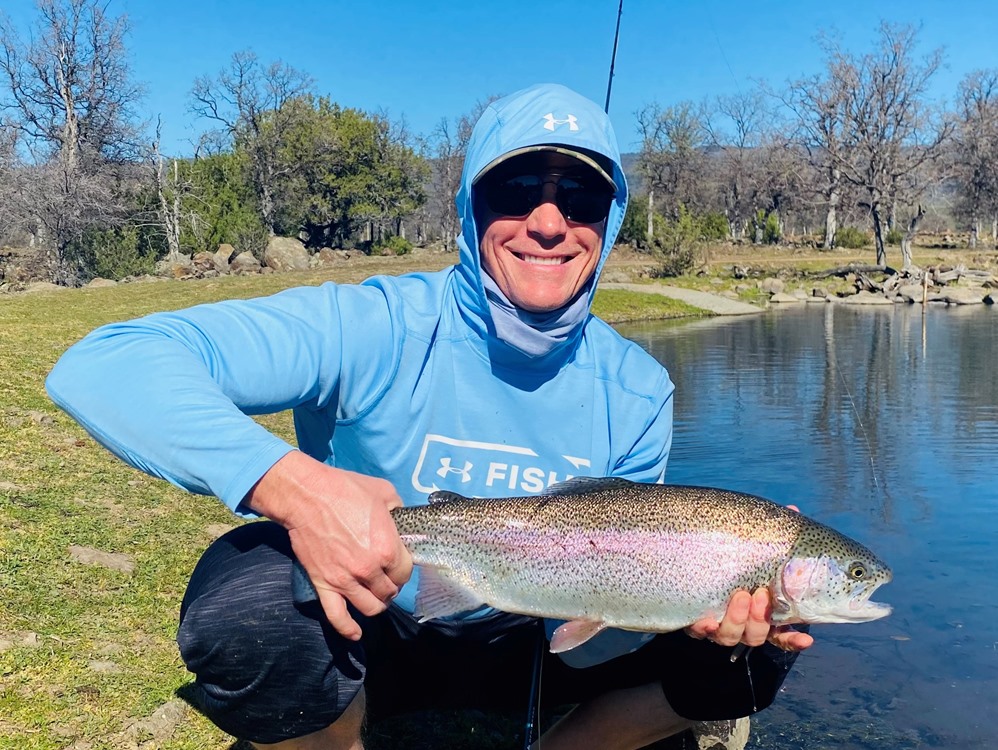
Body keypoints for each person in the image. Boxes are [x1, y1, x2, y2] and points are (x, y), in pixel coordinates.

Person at [46, 82, 812, 750]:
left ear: (608, 224)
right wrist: (292, 487)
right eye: (514, 191)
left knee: (757, 647)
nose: (548, 221)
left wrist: (702, 609)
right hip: (368, 625)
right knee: (245, 601)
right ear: (467, 207)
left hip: (533, 638)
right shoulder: (372, 325)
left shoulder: (639, 388)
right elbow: (105, 362)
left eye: (579, 198)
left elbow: (584, 636)